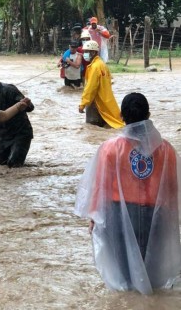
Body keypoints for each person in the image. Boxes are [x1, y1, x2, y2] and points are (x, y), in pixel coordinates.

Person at [75, 93, 181, 294]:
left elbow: (101, 186)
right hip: (155, 216)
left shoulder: (110, 148)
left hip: (118, 216)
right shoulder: (166, 149)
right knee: (153, 273)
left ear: (121, 116)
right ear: (149, 114)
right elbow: (172, 190)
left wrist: (94, 217)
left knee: (123, 273)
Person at [0, 66, 35, 168]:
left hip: (21, 134)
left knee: (14, 165)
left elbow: (31, 107)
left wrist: (25, 105)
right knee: (2, 165)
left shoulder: (10, 90)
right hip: (4, 136)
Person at [78, 41, 124, 128]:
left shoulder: (95, 67)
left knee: (92, 131)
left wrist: (83, 104)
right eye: (84, 52)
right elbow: (110, 81)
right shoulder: (102, 64)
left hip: (95, 103)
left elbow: (90, 88)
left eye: (87, 51)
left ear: (94, 52)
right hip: (105, 102)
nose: (84, 54)